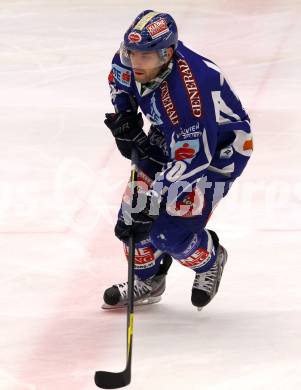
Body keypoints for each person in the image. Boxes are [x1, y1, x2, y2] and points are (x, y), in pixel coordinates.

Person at [102, 10, 253, 310]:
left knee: (167, 231)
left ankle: (210, 258)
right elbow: (119, 82)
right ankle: (149, 278)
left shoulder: (189, 92)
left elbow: (194, 158)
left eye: (145, 57)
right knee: (130, 218)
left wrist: (155, 198)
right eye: (132, 53)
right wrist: (125, 117)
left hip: (219, 153)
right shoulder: (129, 56)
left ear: (167, 54)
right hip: (170, 134)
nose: (135, 62)